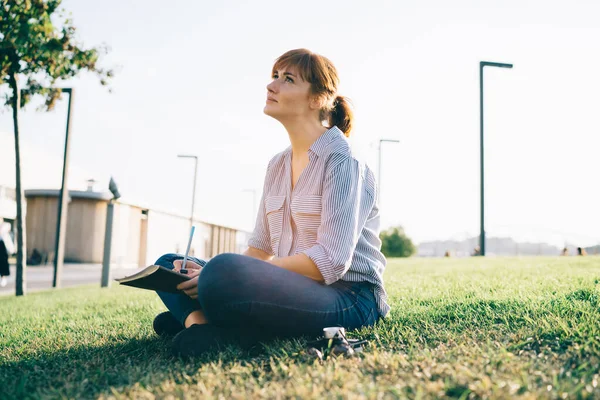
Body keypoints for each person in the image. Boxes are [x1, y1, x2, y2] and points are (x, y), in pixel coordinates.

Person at [153, 49, 389, 357]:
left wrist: (230, 274)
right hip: (297, 290)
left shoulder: (344, 161)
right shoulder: (277, 165)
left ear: (317, 99)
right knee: (170, 264)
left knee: (222, 270)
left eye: (287, 79)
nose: (272, 86)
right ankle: (201, 324)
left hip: (351, 298)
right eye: (274, 76)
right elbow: (260, 250)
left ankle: (213, 322)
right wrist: (211, 274)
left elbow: (329, 262)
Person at [0, 219, 15, 287]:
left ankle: (3, 278)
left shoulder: (5, 226)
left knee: (3, 263)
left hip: (2, 247)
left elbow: (7, 226)